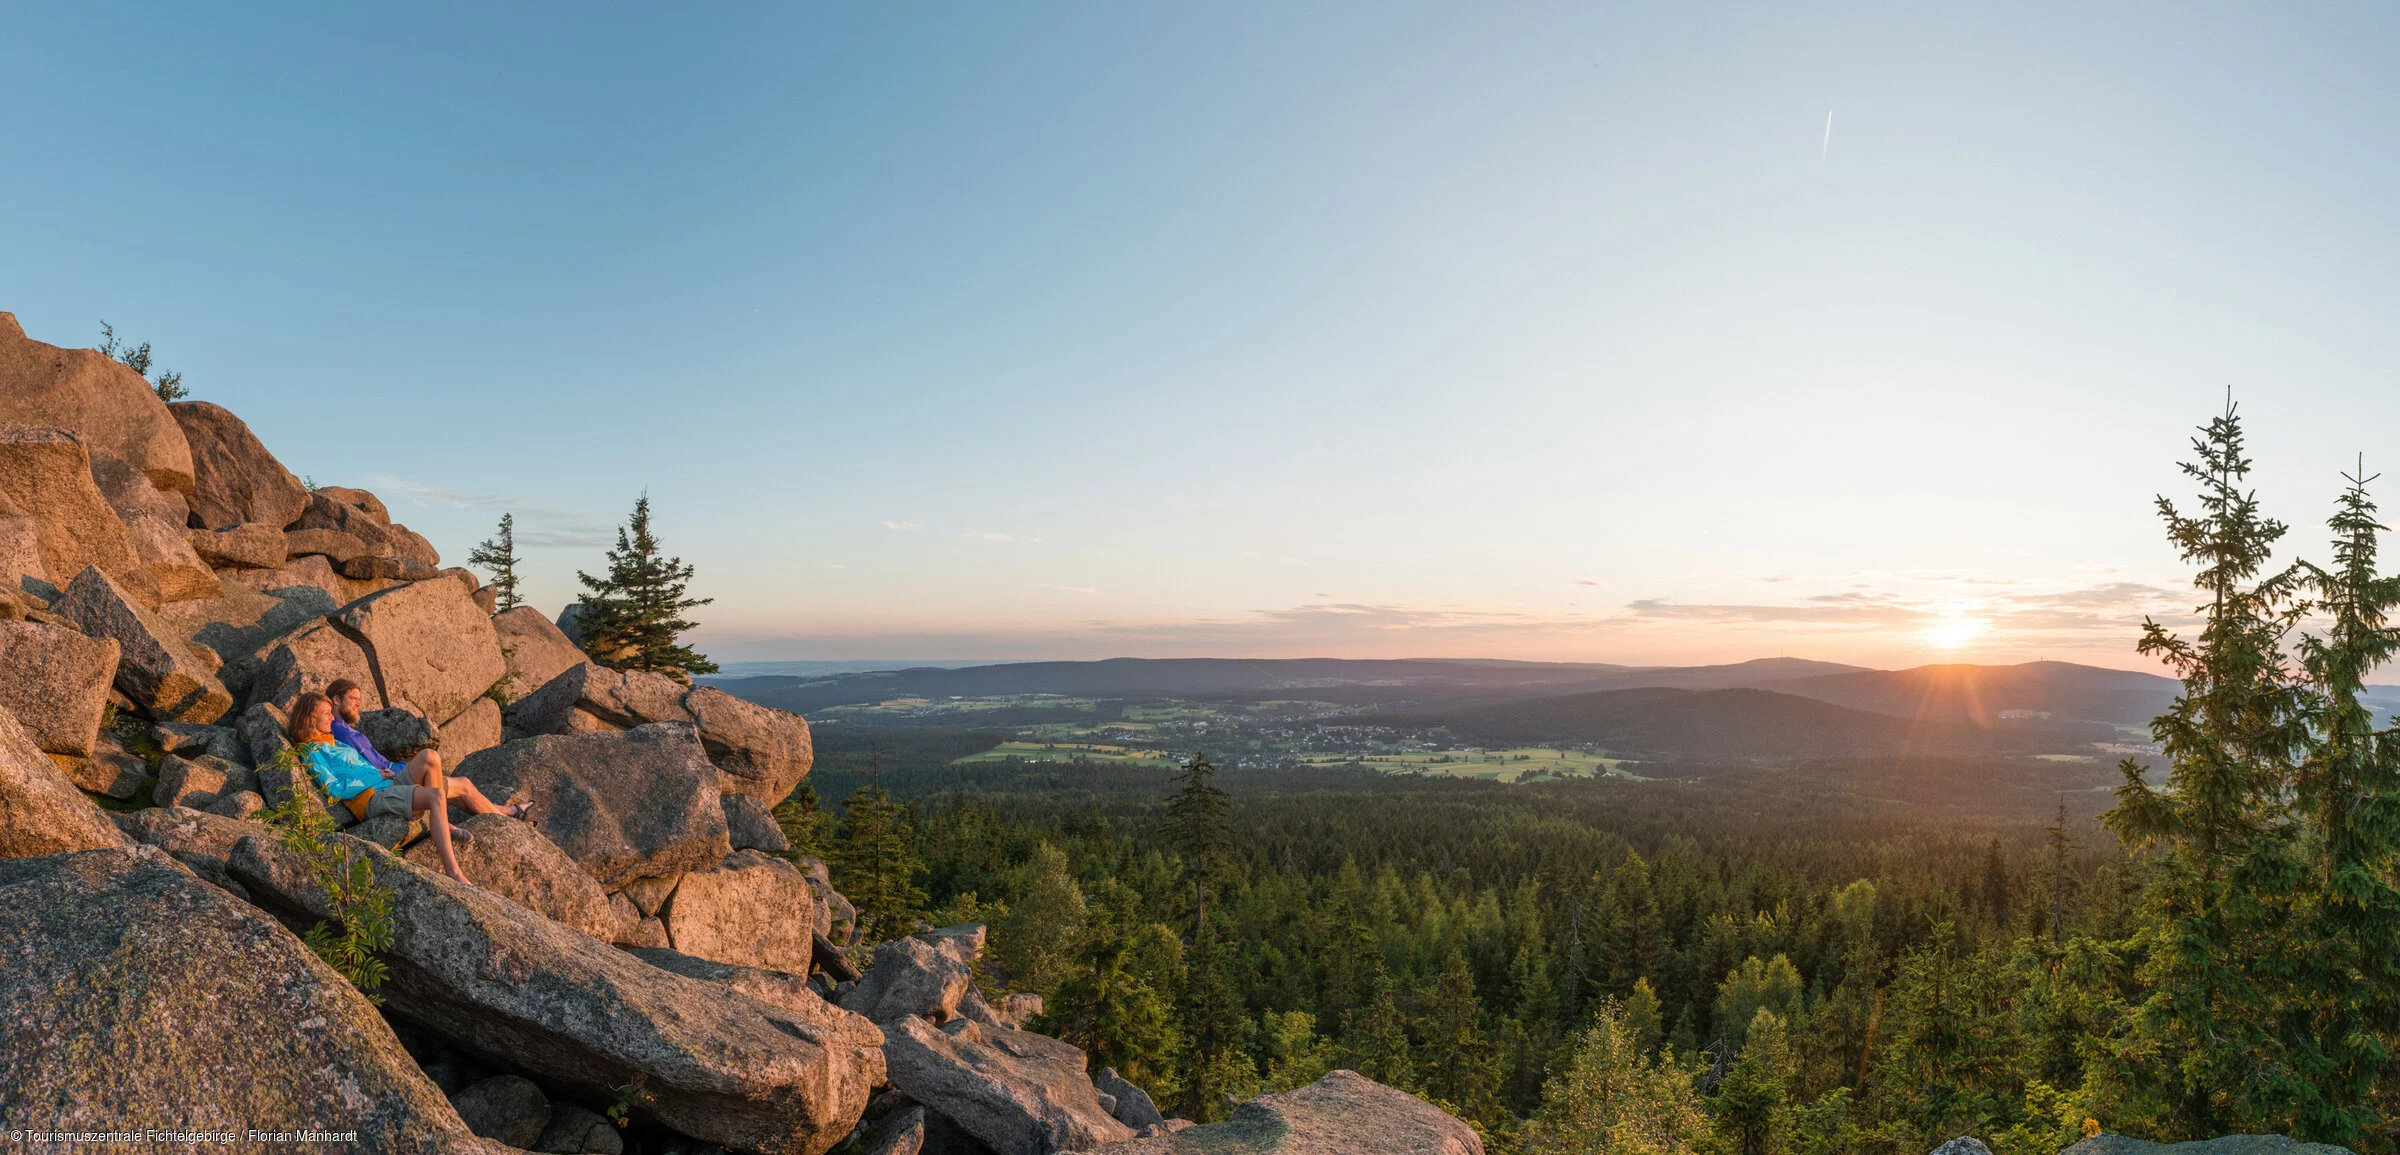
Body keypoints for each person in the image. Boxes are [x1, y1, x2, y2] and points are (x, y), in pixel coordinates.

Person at [284, 690, 521, 886]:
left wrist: (379, 774)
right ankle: (453, 871)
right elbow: (335, 789)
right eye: (325, 714)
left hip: (386, 783)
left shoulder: (333, 742)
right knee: (436, 795)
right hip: (371, 798)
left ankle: (441, 821)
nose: (330, 718)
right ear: (309, 717)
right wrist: (374, 775)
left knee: (430, 756)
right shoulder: (312, 751)